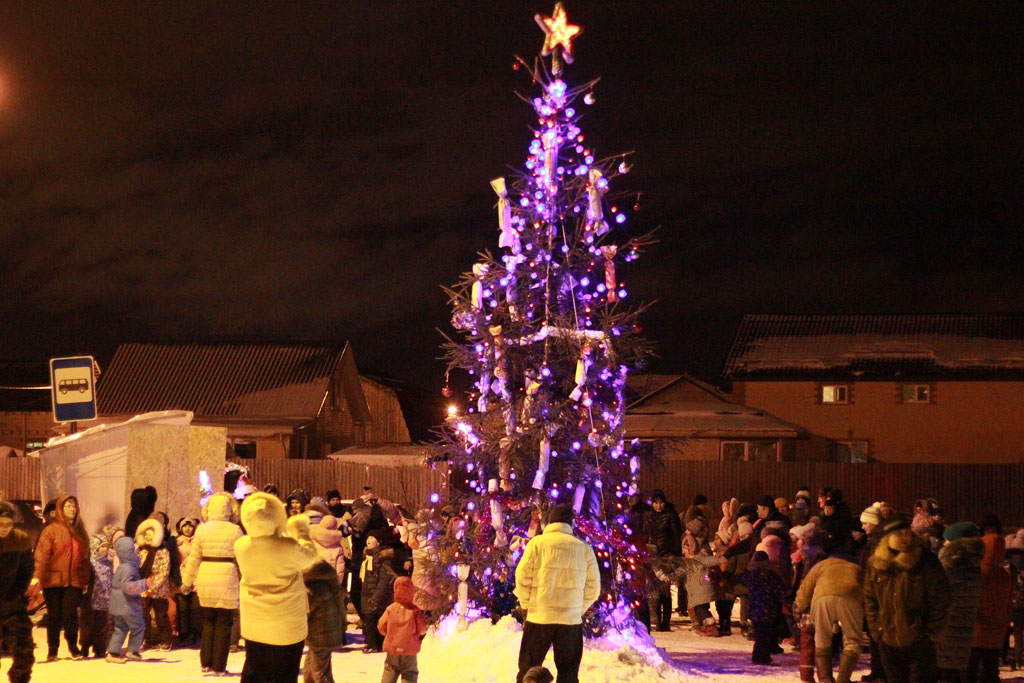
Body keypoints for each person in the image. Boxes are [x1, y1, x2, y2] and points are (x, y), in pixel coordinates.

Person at [235, 491, 318, 683]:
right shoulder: (288, 546)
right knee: (285, 674)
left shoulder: (241, 546)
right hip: (287, 626)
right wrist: (302, 532)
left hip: (255, 623)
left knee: (254, 669)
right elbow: (310, 557)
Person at [514, 504, 600, 683]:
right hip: (570, 621)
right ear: (570, 523)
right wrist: (577, 610)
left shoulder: (536, 544)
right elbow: (594, 588)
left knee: (529, 671)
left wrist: (527, 605)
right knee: (568, 674)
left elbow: (522, 577)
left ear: (550, 521)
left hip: (539, 617)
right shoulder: (584, 548)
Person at [863, 515, 951, 683]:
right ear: (887, 538)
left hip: (918, 638)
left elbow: (941, 597)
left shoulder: (925, 561)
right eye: (899, 534)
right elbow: (869, 598)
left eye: (907, 533)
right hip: (887, 638)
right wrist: (877, 630)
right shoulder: (876, 564)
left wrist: (929, 632)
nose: (905, 537)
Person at [180, 491, 243, 676]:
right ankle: (219, 666)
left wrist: (186, 582)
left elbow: (193, 559)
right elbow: (242, 557)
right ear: (229, 509)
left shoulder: (202, 529)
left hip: (206, 574)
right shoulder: (235, 530)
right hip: (227, 576)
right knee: (224, 623)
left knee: (208, 621)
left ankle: (205, 663)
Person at [286, 514, 347, 683]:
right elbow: (339, 597)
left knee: (320, 673)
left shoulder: (311, 585)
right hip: (323, 631)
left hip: (320, 632)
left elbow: (306, 610)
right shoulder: (323, 576)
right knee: (311, 668)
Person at [32, 494, 91, 661]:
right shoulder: (50, 531)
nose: (72, 509)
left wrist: (84, 579)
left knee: (70, 615)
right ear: (60, 509)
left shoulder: (80, 530)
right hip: (53, 581)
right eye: (68, 506)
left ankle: (73, 647)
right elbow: (41, 555)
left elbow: (85, 558)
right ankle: (53, 650)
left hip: (74, 581)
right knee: (54, 616)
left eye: (74, 506)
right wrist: (37, 577)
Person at [795, 555, 863, 683]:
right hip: (851, 598)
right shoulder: (855, 568)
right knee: (852, 641)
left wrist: (800, 607)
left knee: (822, 640)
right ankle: (843, 679)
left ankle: (825, 679)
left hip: (822, 599)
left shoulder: (820, 566)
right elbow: (866, 589)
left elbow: (805, 590)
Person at [934, 521, 984, 683]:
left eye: (946, 539)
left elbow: (936, 595)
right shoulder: (974, 566)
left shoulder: (950, 564)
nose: (943, 542)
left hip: (945, 628)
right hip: (964, 628)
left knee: (944, 673)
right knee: (954, 672)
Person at [966, 519, 1012, 683]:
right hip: (995, 633)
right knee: (990, 670)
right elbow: (1007, 604)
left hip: (973, 630)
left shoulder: (975, 571)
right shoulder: (1004, 575)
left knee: (969, 669)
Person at [0, 499, 35, 683]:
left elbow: (27, 569)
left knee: (24, 650)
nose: (5, 528)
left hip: (12, 604)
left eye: (8, 524)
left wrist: (17, 592)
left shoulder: (20, 540)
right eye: (0, 524)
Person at [106, 535, 150, 663]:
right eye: (134, 551)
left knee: (120, 629)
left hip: (117, 604)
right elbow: (127, 587)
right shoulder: (129, 568)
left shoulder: (121, 567)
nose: (137, 554)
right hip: (128, 605)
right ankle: (133, 650)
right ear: (128, 553)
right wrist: (144, 584)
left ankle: (113, 653)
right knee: (139, 626)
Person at [742, 549, 789, 665]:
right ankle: (761, 657)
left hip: (754, 608)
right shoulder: (770, 574)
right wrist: (786, 601)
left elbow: (743, 580)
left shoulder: (750, 574)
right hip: (768, 608)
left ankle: (759, 656)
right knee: (765, 634)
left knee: (760, 634)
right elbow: (779, 590)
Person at [378, 576, 428, 683]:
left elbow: (381, 626)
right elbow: (422, 629)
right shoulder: (415, 611)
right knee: (409, 673)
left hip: (392, 649)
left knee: (390, 670)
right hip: (409, 649)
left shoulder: (390, 609)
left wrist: (389, 634)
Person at [135, 518, 172, 650]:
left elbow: (164, 571)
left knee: (161, 615)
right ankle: (146, 640)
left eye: (151, 535)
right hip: (143, 588)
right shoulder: (140, 551)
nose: (148, 538)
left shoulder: (163, 551)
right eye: (146, 535)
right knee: (143, 615)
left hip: (159, 589)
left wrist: (153, 586)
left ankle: (166, 640)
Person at [360, 532, 400, 653]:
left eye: (372, 537)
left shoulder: (383, 559)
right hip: (367, 593)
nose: (369, 540)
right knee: (368, 620)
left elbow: (384, 580)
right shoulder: (367, 558)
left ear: (378, 542)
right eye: (368, 537)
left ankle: (377, 644)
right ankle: (370, 643)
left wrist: (376, 596)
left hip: (378, 595)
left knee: (377, 619)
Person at [79, 532, 114, 658]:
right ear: (95, 547)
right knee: (87, 626)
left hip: (104, 600)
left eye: (106, 546)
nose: (105, 549)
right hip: (90, 600)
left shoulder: (108, 562)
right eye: (101, 547)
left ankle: (100, 648)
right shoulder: (90, 562)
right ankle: (84, 647)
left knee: (102, 626)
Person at [174, 517, 202, 646]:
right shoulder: (176, 542)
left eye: (190, 526)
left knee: (196, 607)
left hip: (197, 577)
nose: (188, 528)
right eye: (185, 526)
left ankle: (195, 633)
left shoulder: (199, 541)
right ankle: (184, 634)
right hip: (182, 576)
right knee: (183, 608)